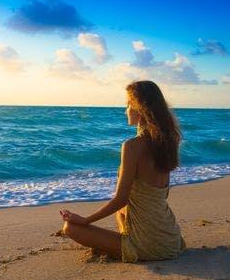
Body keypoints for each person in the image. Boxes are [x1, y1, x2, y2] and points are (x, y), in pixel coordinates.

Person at [60, 80, 186, 262]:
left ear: (139, 108)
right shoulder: (167, 142)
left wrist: (85, 220)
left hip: (149, 244)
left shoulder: (132, 146)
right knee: (123, 212)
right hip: (171, 237)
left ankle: (130, 245)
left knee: (70, 228)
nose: (125, 110)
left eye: (128, 105)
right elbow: (162, 195)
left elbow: (120, 199)